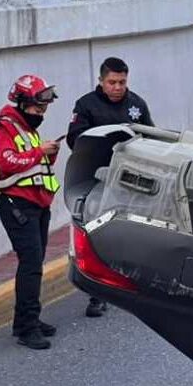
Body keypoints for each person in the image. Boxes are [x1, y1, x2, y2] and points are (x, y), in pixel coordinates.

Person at [67, 56, 154, 317]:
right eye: (112, 82)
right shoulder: (86, 106)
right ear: (101, 81)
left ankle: (134, 282)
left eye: (122, 82)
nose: (117, 87)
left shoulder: (136, 104)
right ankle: (98, 294)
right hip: (98, 178)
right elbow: (75, 139)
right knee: (97, 234)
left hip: (129, 179)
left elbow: (151, 135)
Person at [0, 75, 61, 350]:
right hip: (17, 206)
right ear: (23, 103)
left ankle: (27, 321)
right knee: (30, 264)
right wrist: (40, 152)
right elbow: (7, 163)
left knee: (34, 265)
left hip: (36, 205)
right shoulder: (6, 128)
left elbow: (32, 166)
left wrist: (49, 153)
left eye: (44, 109)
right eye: (38, 108)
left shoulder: (26, 128)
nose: (42, 113)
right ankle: (27, 328)